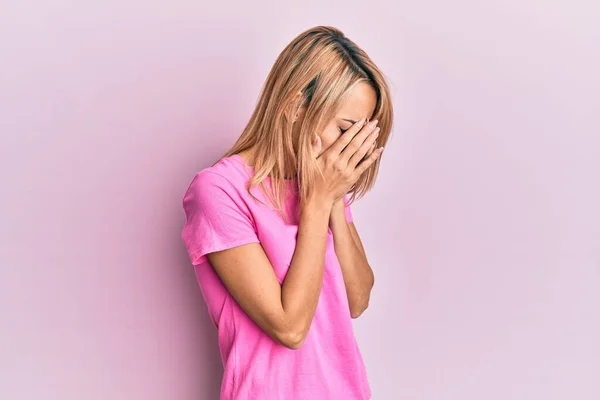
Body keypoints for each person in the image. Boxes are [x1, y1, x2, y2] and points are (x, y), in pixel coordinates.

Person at [181, 25, 393, 400]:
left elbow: (357, 299)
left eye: (361, 133)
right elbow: (289, 327)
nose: (352, 147)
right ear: (296, 106)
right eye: (345, 128)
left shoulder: (320, 183)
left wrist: (331, 198)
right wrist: (316, 203)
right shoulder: (218, 190)